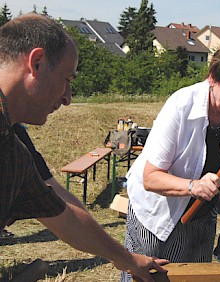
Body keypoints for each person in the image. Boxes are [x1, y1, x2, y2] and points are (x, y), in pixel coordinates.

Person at [0, 14, 167, 282]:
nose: (67, 98)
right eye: (66, 79)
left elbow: (65, 217)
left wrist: (129, 260)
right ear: (37, 62)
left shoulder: (14, 151)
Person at [121, 38, 220, 281]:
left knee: (195, 276)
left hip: (200, 216)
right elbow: (150, 177)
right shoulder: (181, 105)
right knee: (147, 275)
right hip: (154, 213)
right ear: (212, 77)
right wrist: (192, 186)